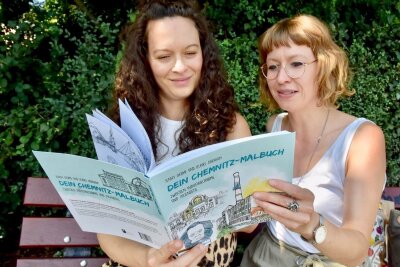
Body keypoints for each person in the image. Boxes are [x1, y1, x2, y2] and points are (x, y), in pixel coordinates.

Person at [97, 1, 254, 266]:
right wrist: (148, 259)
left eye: (190, 53)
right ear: (145, 61)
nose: (180, 67)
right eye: (164, 57)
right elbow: (109, 232)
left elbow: (248, 225)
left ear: (204, 55)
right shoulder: (124, 129)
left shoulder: (230, 126)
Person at [240, 14, 386, 267]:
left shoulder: (362, 138)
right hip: (263, 254)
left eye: (296, 64)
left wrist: (311, 224)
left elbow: (356, 251)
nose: (281, 77)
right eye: (272, 66)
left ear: (325, 65)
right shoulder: (275, 125)